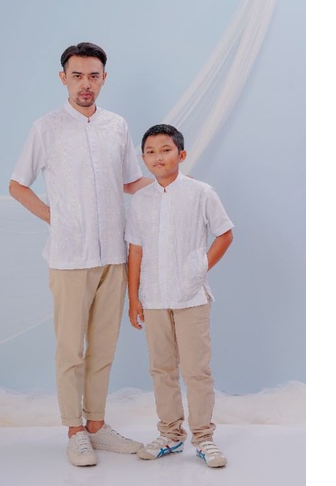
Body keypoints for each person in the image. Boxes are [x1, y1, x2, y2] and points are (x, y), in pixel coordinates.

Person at [9, 42, 151, 467]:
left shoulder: (117, 126)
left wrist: (173, 181)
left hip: (113, 255)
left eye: (93, 76)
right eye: (77, 76)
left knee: (103, 347)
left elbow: (130, 182)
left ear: (104, 79)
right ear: (63, 79)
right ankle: (75, 431)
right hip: (70, 256)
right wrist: (55, 218)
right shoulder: (46, 128)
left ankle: (97, 424)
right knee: (71, 348)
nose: (85, 84)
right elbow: (17, 185)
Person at [125, 124, 234, 468]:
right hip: (154, 297)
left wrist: (200, 267)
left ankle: (204, 437)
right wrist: (134, 298)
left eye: (165, 150)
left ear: (181, 154)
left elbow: (225, 233)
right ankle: (171, 435)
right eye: (150, 152)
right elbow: (135, 249)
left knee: (196, 369)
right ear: (143, 158)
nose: (158, 157)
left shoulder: (201, 193)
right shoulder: (141, 200)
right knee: (161, 368)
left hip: (190, 296)